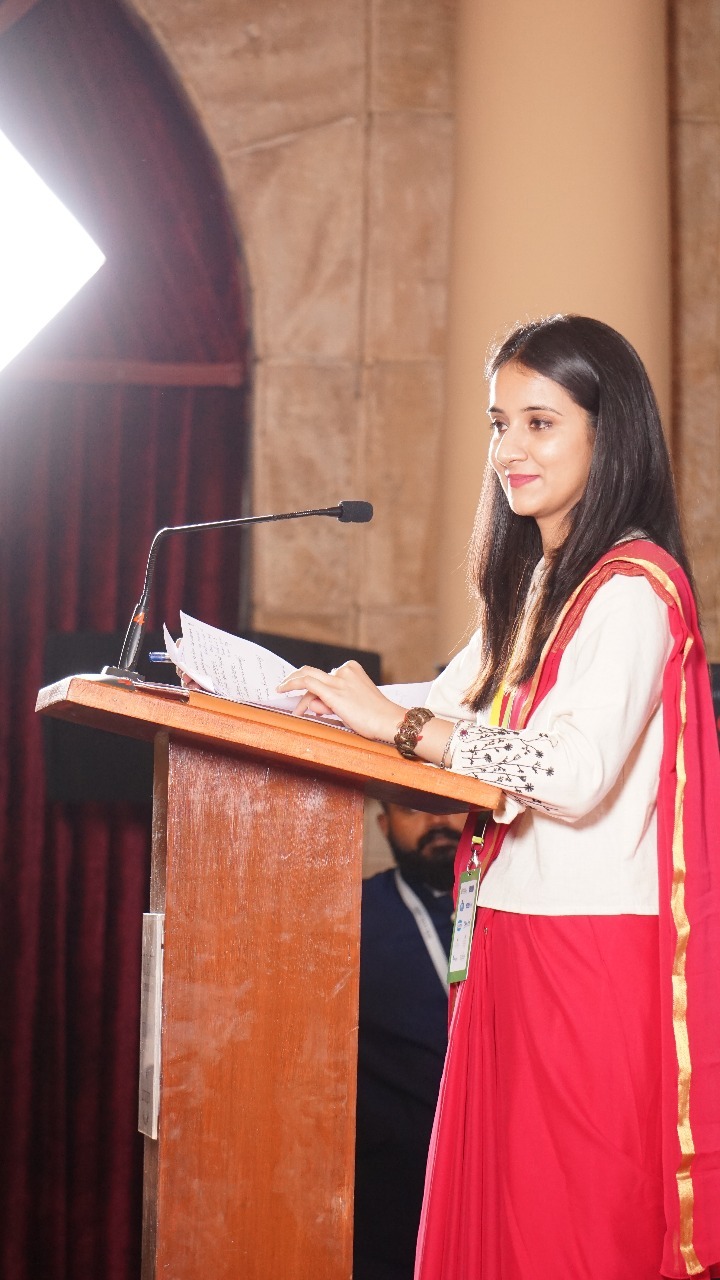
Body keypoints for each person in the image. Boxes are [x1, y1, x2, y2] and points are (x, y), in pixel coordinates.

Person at [278, 315, 720, 1279]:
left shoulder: (634, 589)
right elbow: (441, 708)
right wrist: (294, 696)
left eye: (539, 422)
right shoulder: (539, 588)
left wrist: (393, 723)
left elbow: (569, 773)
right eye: (498, 423)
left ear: (609, 434)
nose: (509, 449)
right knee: (507, 1230)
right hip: (509, 943)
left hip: (584, 956)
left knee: (568, 1233)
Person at [354, 802, 466, 1280]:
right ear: (384, 826)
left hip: (496, 1164)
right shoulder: (355, 913)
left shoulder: (512, 905)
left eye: (449, 806)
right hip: (392, 1192)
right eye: (412, 810)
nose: (436, 821)